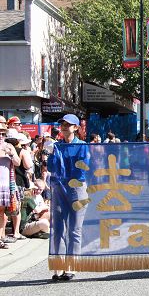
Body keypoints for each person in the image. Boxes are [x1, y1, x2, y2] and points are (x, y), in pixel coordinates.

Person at [48, 114, 90, 281]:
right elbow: (52, 168)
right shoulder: (56, 146)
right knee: (57, 228)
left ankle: (71, 266)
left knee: (74, 229)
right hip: (59, 188)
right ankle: (58, 266)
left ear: (76, 128)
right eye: (62, 124)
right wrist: (50, 154)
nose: (64, 126)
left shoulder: (83, 146)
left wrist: (69, 179)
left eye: (68, 124)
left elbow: (83, 169)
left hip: (76, 189)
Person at [0, 122, 21, 249]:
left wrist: (11, 154)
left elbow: (18, 163)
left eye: (2, 133)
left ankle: (1, 237)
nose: (0, 135)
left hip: (5, 185)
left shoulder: (9, 146)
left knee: (2, 212)